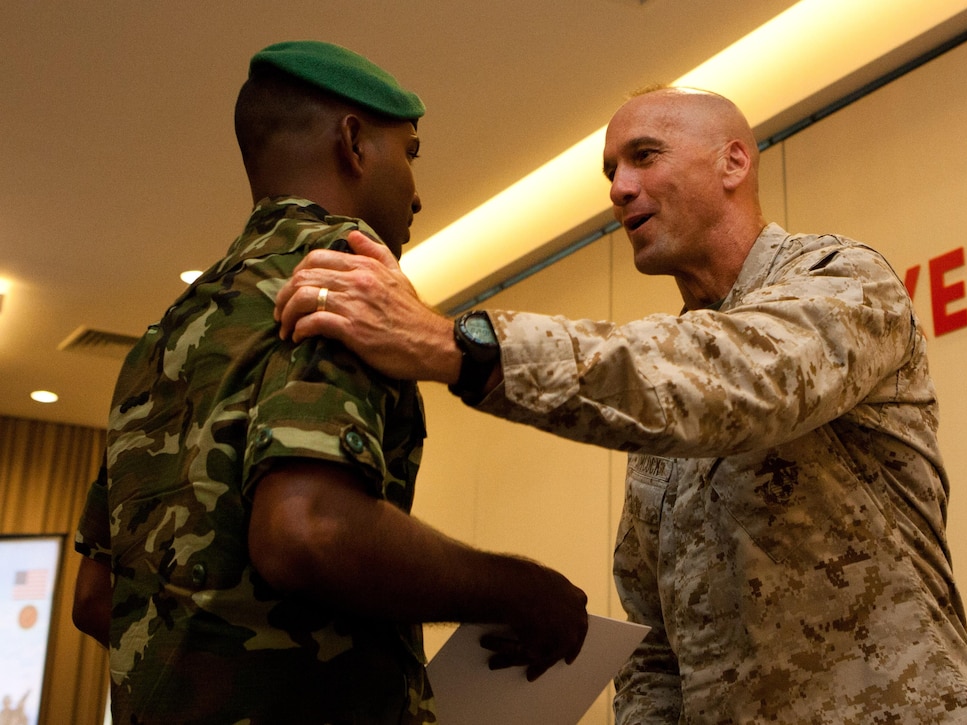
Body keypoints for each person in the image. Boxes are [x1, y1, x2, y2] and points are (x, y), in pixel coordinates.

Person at [273, 86, 967, 723]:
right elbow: (658, 645)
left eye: (645, 156)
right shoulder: (661, 398)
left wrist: (456, 345)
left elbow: (738, 378)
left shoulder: (843, 279)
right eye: (610, 171)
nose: (619, 187)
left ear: (733, 162)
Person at [70, 40, 588, 725]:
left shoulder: (164, 336)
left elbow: (98, 596)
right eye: (411, 152)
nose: (418, 189)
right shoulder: (345, 282)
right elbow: (306, 528)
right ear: (354, 143)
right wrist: (520, 589)